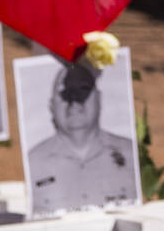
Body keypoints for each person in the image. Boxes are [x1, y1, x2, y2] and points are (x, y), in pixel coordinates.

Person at [27, 63, 138, 216]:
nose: (74, 101)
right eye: (64, 93)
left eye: (83, 90)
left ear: (99, 99)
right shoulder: (30, 164)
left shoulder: (132, 155)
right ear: (52, 106)